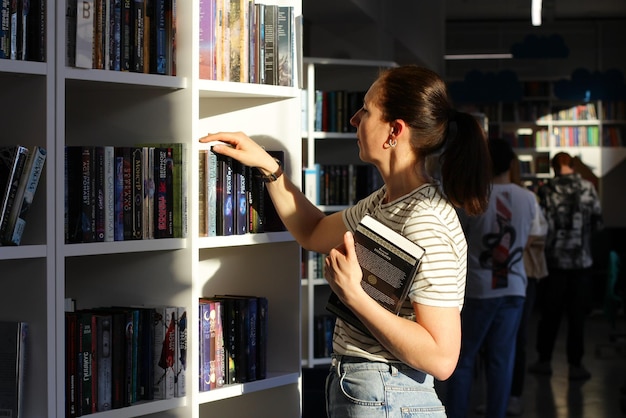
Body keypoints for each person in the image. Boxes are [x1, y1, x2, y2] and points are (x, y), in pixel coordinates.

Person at [200, 65, 491, 417]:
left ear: (394, 131)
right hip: (364, 388)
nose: (354, 119)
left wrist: (355, 295)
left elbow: (442, 358)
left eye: (366, 110)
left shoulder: (426, 219)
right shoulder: (384, 202)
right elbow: (313, 231)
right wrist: (270, 169)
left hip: (388, 393)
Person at [444, 138, 539, 418]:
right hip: (514, 288)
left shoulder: (473, 197)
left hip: (479, 289)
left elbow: (457, 239)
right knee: (502, 360)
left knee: (464, 360)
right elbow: (534, 236)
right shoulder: (529, 198)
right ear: (512, 163)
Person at [529, 152, 603, 380]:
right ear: (573, 165)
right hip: (581, 262)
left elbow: (539, 227)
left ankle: (544, 361)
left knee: (550, 315)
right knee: (577, 316)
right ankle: (576, 365)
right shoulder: (588, 188)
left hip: (554, 263)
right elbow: (597, 223)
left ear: (553, 168)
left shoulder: (546, 189)